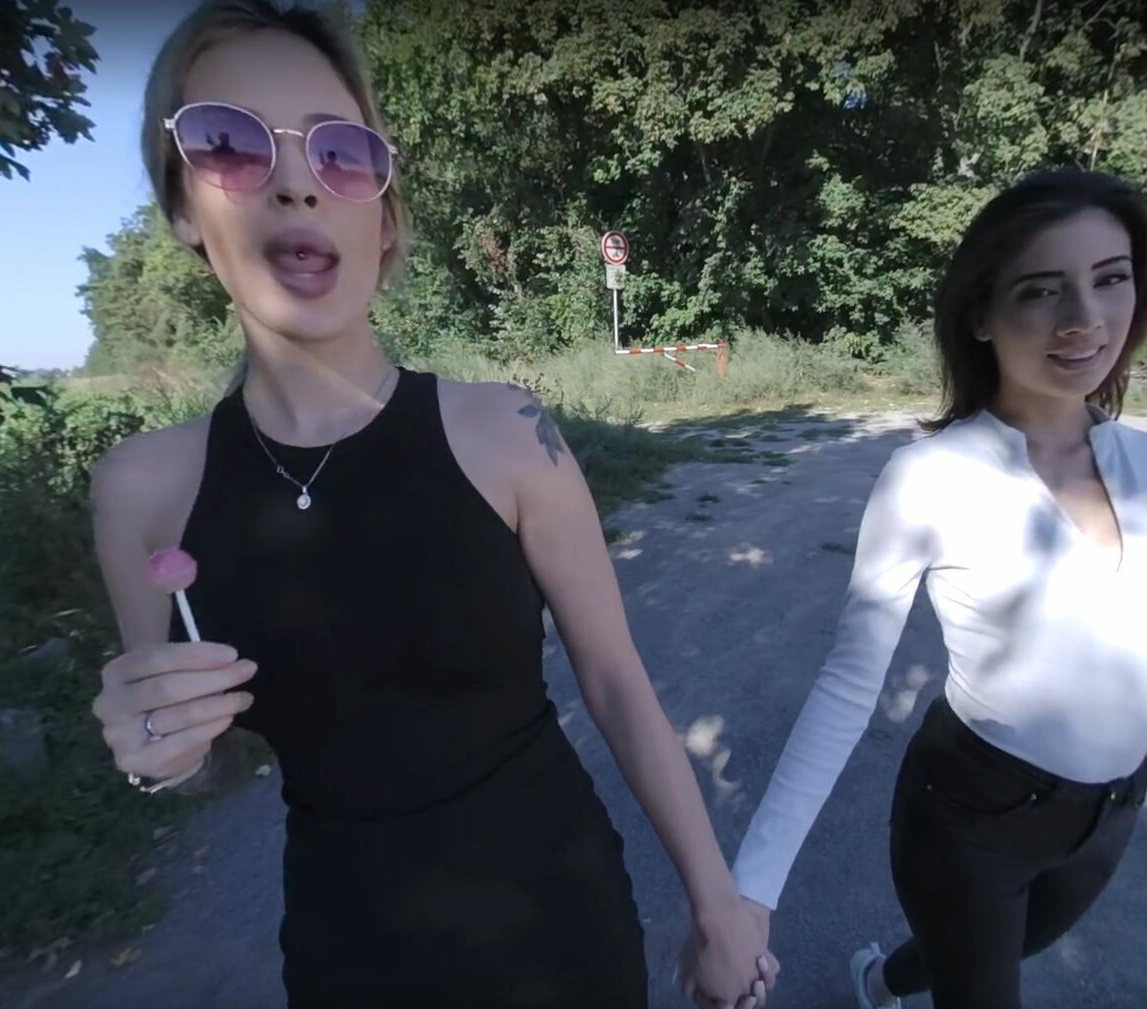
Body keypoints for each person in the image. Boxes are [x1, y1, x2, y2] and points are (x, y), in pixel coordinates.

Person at [85, 3, 775, 1006]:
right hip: (348, 956)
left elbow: (617, 679)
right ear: (184, 206)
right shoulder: (142, 491)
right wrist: (158, 757)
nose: (295, 181)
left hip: (564, 932)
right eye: (230, 142)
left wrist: (718, 910)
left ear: (382, 217)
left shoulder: (509, 431)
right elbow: (203, 760)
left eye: (339, 151)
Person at [717, 168, 1147, 1009]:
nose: (1085, 318)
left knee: (1013, 943)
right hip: (973, 811)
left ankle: (880, 980)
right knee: (980, 970)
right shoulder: (930, 478)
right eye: (1040, 290)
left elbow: (1131, 642)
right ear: (981, 315)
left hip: (1117, 803)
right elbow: (849, 685)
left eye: (1111, 278)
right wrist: (751, 891)